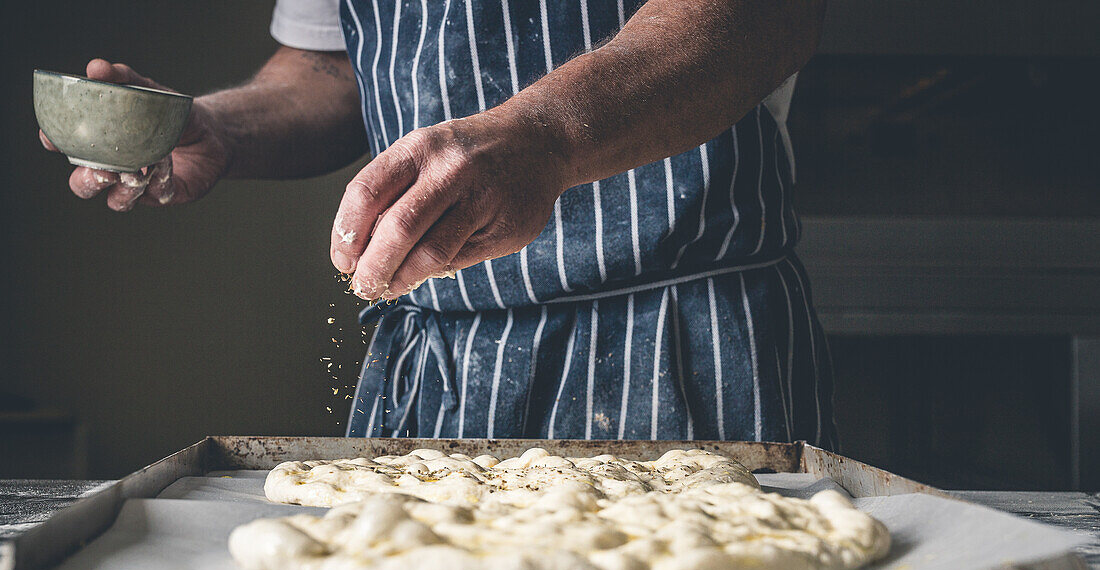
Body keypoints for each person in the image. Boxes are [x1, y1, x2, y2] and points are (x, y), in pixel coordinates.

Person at [42, 0, 836, 447]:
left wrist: (545, 136)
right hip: (439, 353)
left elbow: (765, 16)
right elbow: (335, 62)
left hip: (682, 334)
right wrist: (222, 128)